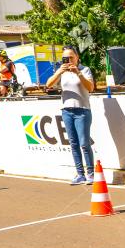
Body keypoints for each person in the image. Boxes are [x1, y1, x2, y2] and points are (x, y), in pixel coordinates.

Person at [45, 46, 96, 185]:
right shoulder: (62, 72)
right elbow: (48, 85)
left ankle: (91, 173)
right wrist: (58, 72)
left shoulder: (85, 70)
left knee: (84, 143)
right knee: (73, 144)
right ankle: (80, 174)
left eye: (71, 58)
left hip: (82, 110)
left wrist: (78, 73)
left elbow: (90, 88)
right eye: (65, 58)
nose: (68, 61)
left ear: (77, 57)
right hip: (66, 111)